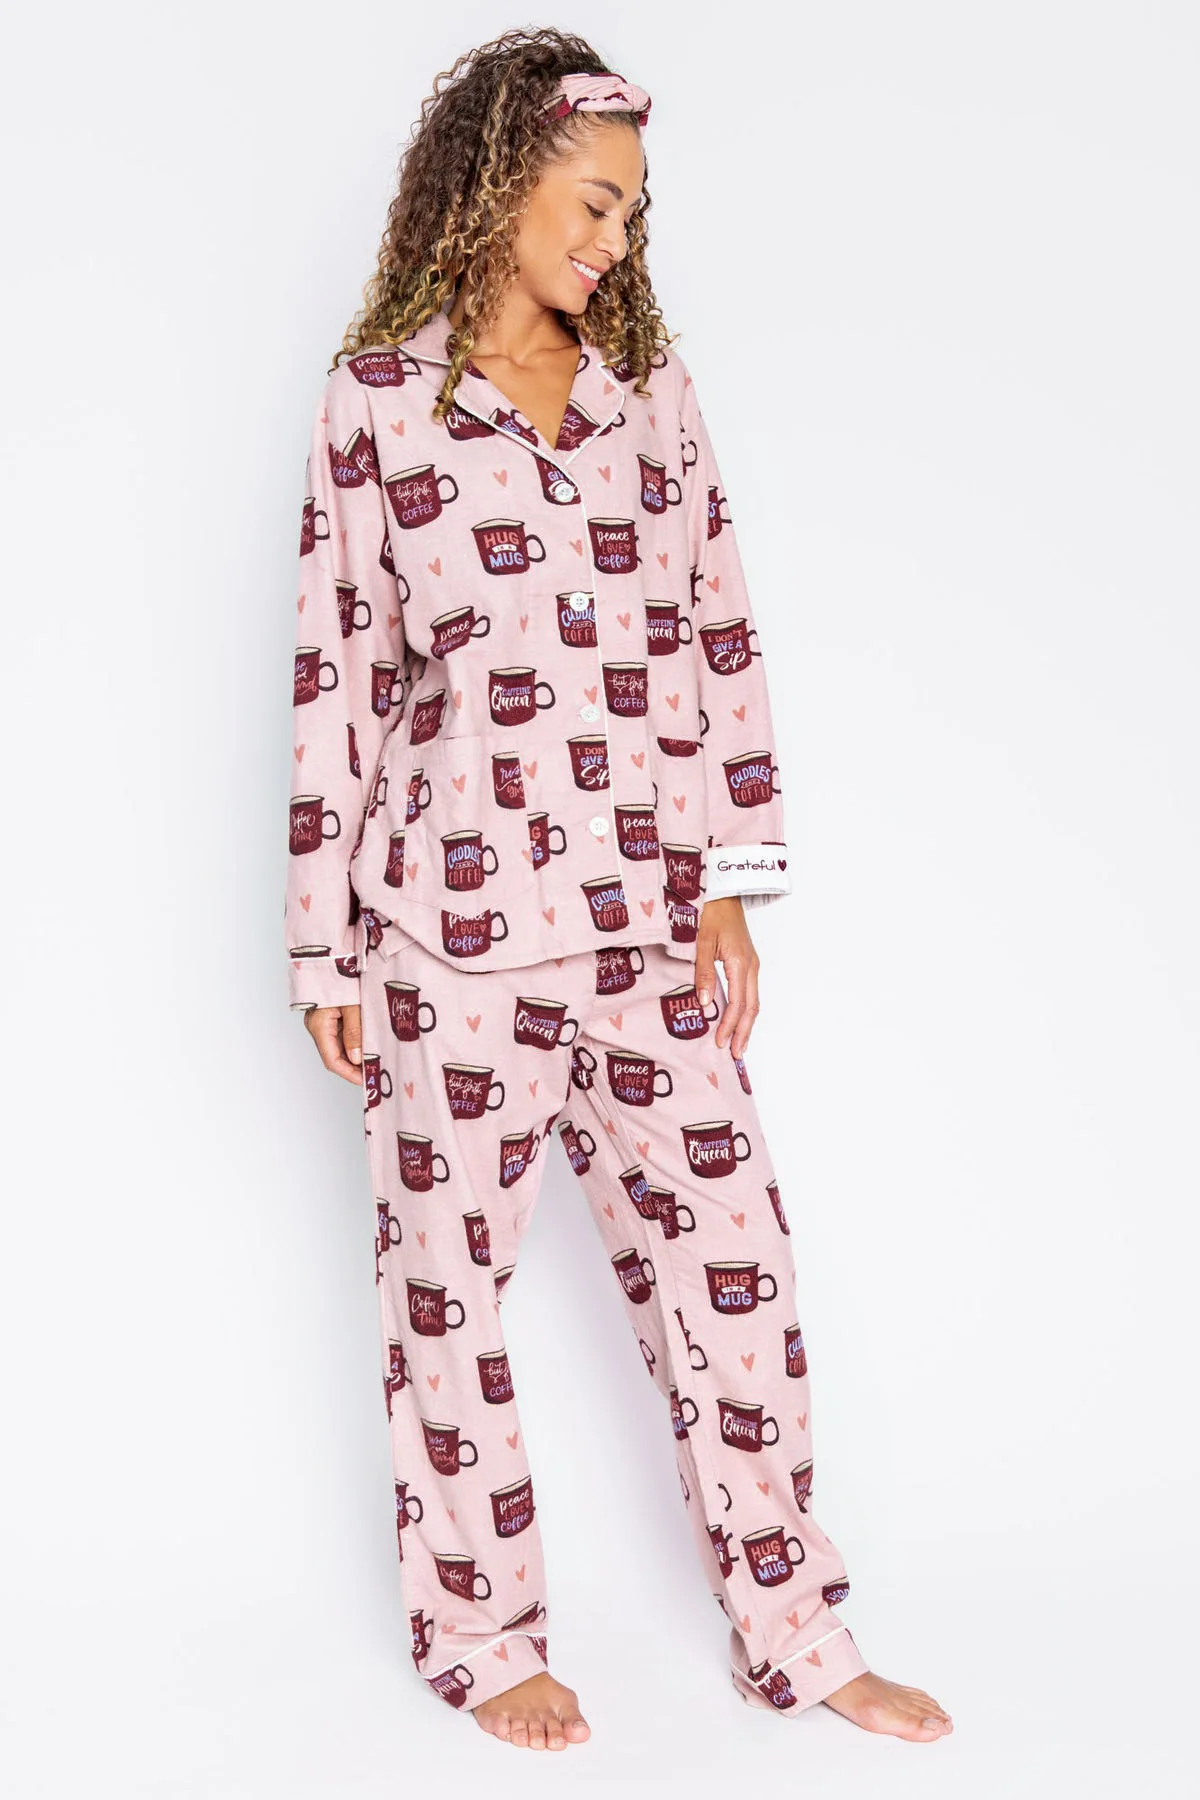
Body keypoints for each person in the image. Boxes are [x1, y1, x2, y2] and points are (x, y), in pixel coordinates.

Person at [283, 26, 952, 1753]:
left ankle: (795, 1634)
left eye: (632, 214)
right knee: (448, 1300)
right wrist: (321, 952)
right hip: (443, 938)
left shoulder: (651, 398)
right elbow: (339, 681)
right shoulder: (378, 405)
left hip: (645, 925)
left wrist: (730, 881)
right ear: (496, 186)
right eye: (592, 203)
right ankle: (481, 1638)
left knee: (739, 1267)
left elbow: (719, 636)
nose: (615, 239)